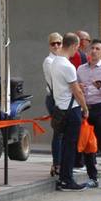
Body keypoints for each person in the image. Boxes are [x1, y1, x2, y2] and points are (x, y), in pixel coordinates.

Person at [44, 33, 88, 191]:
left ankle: (63, 177)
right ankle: (67, 180)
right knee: (70, 146)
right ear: (74, 46)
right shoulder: (67, 65)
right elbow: (77, 91)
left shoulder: (54, 62)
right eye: (77, 47)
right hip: (72, 110)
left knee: (64, 144)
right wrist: (85, 108)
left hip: (61, 107)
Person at [76, 37, 101, 190]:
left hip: (99, 107)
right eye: (92, 48)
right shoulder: (81, 69)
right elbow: (76, 89)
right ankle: (92, 177)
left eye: (97, 49)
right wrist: (79, 87)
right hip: (85, 108)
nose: (93, 51)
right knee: (87, 145)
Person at [43, 34, 65, 179]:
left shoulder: (60, 60)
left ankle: (62, 163)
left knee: (63, 133)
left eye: (59, 43)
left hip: (62, 98)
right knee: (58, 133)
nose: (56, 46)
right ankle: (56, 164)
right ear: (49, 46)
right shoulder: (49, 61)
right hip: (55, 98)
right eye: (53, 44)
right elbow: (54, 83)